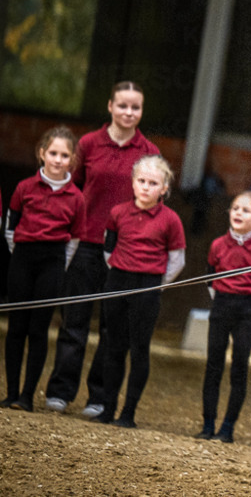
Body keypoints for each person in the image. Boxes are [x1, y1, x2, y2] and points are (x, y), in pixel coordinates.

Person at [45, 81, 160, 417]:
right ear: (110, 106)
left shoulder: (149, 152)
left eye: (135, 107)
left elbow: (154, 202)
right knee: (74, 320)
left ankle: (99, 397)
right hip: (85, 244)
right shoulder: (87, 144)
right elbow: (72, 188)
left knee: (113, 328)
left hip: (126, 252)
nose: (129, 112)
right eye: (122, 105)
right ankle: (61, 391)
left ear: (142, 111)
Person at [94, 155, 185, 428]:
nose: (146, 187)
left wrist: (156, 283)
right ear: (133, 183)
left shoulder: (171, 220)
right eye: (142, 181)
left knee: (139, 348)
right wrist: (120, 272)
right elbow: (108, 249)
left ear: (164, 188)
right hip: (117, 282)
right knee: (113, 346)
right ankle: (107, 408)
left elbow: (177, 260)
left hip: (148, 287)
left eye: (153, 183)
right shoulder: (118, 213)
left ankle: (128, 413)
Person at [2, 126, 86, 411]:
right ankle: (11, 392)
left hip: (53, 263)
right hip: (22, 259)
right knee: (16, 327)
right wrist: (21, 253)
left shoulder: (76, 198)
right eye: (53, 153)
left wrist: (58, 263)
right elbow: (10, 228)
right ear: (42, 153)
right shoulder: (24, 188)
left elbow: (74, 239)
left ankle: (27, 395)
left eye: (64, 155)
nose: (58, 160)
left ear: (72, 160)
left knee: (38, 330)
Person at [196, 191, 251, 443]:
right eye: (235, 208)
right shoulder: (218, 245)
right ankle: (208, 424)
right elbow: (211, 278)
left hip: (247, 311)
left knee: (239, 367)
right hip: (221, 306)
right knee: (213, 365)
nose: (238, 213)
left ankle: (227, 427)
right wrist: (222, 299)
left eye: (246, 210)